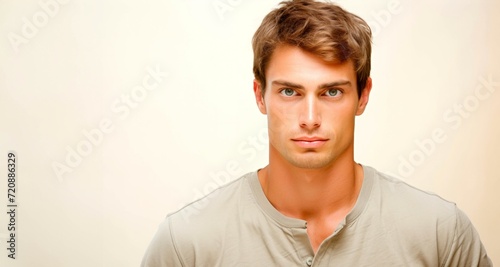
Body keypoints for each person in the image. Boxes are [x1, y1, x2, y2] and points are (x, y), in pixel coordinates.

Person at [141, 0, 492, 266]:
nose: (310, 118)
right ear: (259, 95)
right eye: (290, 92)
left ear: (363, 95)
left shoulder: (439, 233)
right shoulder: (187, 243)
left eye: (332, 92)